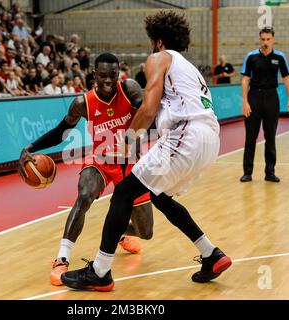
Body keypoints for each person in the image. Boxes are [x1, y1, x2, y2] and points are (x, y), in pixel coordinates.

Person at [61, 11, 231, 292]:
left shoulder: (159, 57)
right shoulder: (189, 67)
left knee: (124, 193)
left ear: (159, 40)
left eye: (151, 40)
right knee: (159, 196)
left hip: (186, 133)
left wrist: (126, 141)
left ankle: (101, 271)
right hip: (210, 138)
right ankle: (211, 253)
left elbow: (148, 108)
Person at [18, 53, 154, 286]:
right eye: (103, 76)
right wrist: (30, 147)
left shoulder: (129, 89)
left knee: (146, 232)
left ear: (119, 73)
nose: (108, 80)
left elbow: (149, 113)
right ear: (94, 75)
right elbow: (61, 131)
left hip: (131, 164)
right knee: (83, 196)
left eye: (113, 75)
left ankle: (119, 232)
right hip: (100, 162)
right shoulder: (83, 103)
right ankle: (62, 258)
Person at [240, 27, 289, 183]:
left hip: (272, 98)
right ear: (260, 39)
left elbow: (286, 78)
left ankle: (270, 172)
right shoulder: (251, 57)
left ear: (273, 39)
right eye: (262, 39)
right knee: (250, 137)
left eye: (268, 39)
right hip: (254, 98)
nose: (265, 42)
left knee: (270, 137)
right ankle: (247, 172)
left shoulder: (279, 57)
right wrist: (245, 101)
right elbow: (245, 80)